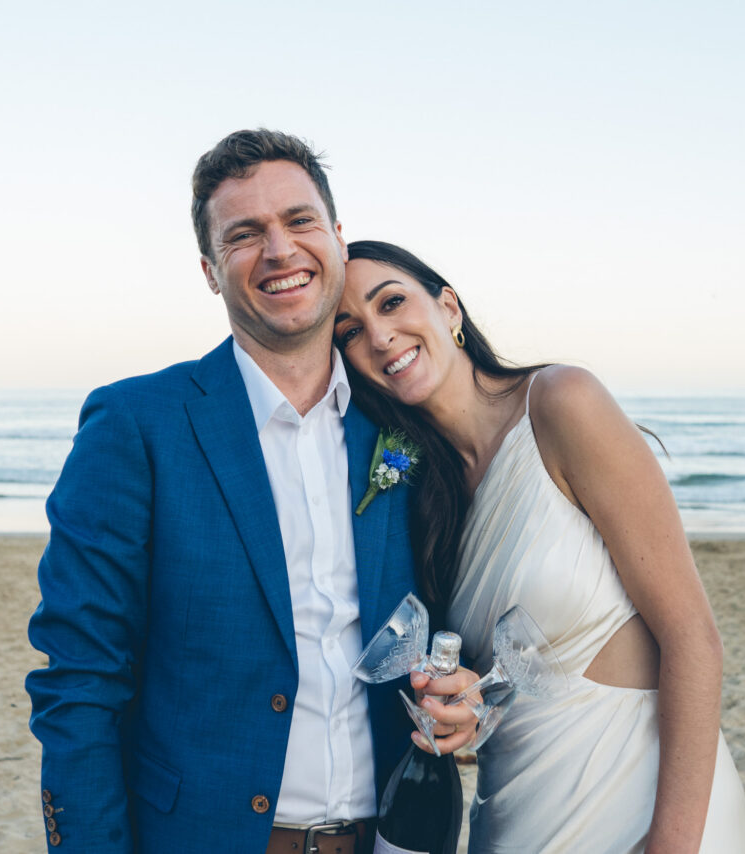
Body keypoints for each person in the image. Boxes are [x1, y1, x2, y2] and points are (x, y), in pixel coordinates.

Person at [24, 133, 474, 854]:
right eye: (244, 234)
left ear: (336, 237)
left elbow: (451, 620)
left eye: (298, 221)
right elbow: (79, 681)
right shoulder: (137, 425)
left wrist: (461, 700)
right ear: (210, 270)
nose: (279, 249)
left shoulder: (406, 428)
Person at [334, 240, 745, 853]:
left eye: (392, 302)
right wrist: (469, 709)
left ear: (449, 309)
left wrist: (673, 846)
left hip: (642, 803)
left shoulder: (562, 404)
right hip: (515, 814)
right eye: (350, 331)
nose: (379, 336)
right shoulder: (422, 495)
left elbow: (695, 637)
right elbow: (511, 678)